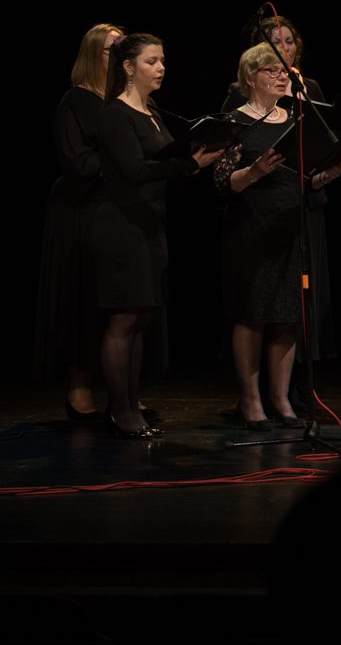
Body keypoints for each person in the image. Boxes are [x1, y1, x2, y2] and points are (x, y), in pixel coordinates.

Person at [90, 33, 224, 437]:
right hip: (121, 227)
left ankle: (131, 405)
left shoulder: (151, 111)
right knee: (124, 318)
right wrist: (188, 164)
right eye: (152, 61)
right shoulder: (115, 114)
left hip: (150, 224)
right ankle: (120, 410)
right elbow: (134, 170)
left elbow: (167, 161)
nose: (161, 68)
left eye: (163, 60)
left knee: (141, 317)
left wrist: (200, 156)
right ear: (128, 67)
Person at [213, 43, 341, 430]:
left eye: (284, 70)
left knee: (288, 316)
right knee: (252, 315)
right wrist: (254, 172)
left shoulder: (295, 119)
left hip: (290, 226)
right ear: (250, 77)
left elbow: (307, 177)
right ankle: (250, 400)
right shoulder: (234, 120)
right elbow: (221, 181)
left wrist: (327, 175)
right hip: (250, 229)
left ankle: (281, 398)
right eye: (271, 70)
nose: (281, 76)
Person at [37, 22, 122, 423]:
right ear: (93, 56)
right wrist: (127, 160)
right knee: (82, 301)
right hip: (81, 212)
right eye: (111, 50)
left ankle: (123, 392)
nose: (120, 57)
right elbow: (78, 162)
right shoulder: (75, 101)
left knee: (121, 305)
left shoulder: (129, 102)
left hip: (119, 211)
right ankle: (79, 390)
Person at [222, 15, 326, 110]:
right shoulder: (241, 91)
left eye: (289, 42)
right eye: (276, 42)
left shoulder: (312, 87)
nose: (285, 48)